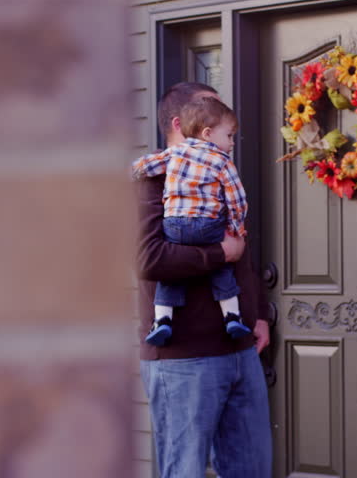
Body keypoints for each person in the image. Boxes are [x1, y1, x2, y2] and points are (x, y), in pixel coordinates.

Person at [136, 82, 273, 478]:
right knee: (185, 470)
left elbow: (243, 246)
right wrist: (218, 253)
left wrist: (259, 313)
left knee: (252, 469)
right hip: (183, 358)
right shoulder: (152, 179)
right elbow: (149, 258)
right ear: (184, 123)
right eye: (212, 112)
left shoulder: (218, 174)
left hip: (240, 348)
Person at [132, 96, 251, 346]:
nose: (232, 143)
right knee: (221, 267)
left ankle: (162, 320)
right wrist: (236, 228)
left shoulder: (176, 152)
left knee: (172, 276)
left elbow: (146, 165)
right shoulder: (221, 161)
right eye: (229, 136)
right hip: (208, 226)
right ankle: (232, 316)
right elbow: (236, 198)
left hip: (175, 224)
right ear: (208, 133)